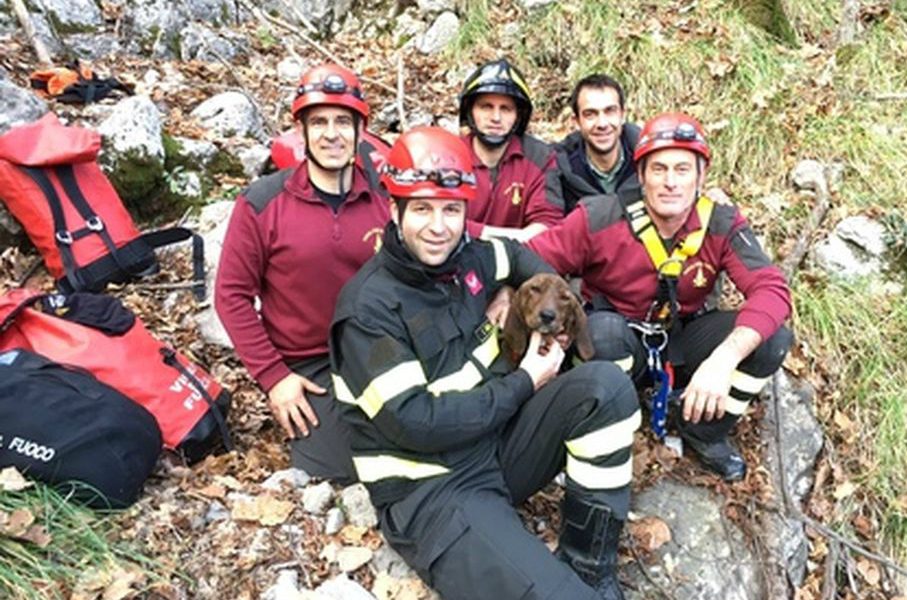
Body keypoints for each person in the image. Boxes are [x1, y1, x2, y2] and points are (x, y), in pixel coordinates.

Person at [329, 126, 640, 600]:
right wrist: (524, 382)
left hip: (496, 444)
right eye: (423, 209)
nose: (439, 226)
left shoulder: (470, 257)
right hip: (431, 489)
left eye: (452, 210)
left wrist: (516, 291)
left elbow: (521, 256)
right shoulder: (368, 310)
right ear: (395, 211)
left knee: (608, 386)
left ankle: (588, 561)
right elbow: (415, 423)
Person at [528, 112, 793, 482]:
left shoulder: (720, 223)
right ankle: (614, 421)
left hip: (685, 336)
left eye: (683, 170)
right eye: (659, 169)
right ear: (641, 176)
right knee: (601, 332)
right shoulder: (600, 215)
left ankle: (702, 430)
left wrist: (723, 358)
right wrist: (510, 296)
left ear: (701, 177)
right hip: (621, 337)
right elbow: (532, 258)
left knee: (773, 339)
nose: (670, 183)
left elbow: (772, 289)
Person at [215, 63, 389, 483]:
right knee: (344, 469)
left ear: (360, 130)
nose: (332, 133)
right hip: (308, 365)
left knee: (418, 439)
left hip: (381, 350)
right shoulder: (263, 203)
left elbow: (448, 235)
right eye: (320, 122)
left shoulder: (384, 196)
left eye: (343, 122)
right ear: (301, 131)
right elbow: (231, 295)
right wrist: (275, 378)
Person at [458, 58, 563, 241]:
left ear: (518, 116)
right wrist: (511, 235)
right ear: (470, 111)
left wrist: (477, 233)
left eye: (506, 109)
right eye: (486, 107)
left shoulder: (540, 157)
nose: (496, 118)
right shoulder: (449, 155)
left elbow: (548, 224)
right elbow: (439, 221)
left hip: (517, 260)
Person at [556, 73, 641, 215]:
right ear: (576, 121)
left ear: (622, 114)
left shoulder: (649, 160)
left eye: (610, 111)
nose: (602, 124)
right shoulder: (559, 169)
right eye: (590, 114)